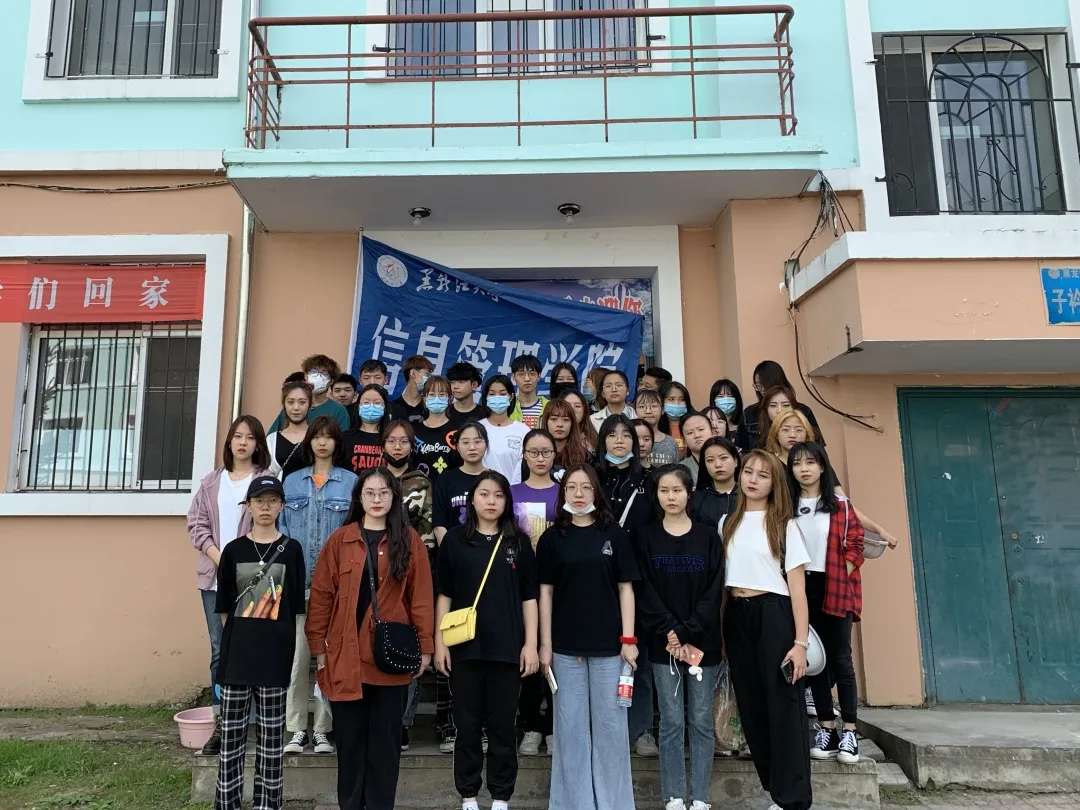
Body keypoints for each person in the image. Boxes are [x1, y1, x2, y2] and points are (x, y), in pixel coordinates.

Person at [306, 468, 435, 810]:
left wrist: (425, 647)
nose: (377, 499)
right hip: (346, 658)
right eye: (370, 493)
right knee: (350, 746)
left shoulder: (409, 540)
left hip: (389, 657)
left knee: (385, 748)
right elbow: (321, 596)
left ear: (394, 498)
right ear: (359, 497)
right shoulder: (341, 540)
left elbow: (421, 598)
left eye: (384, 493)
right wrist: (318, 648)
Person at [537, 464, 639, 810]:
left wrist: (628, 640)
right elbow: (545, 593)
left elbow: (626, 589)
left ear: (596, 492)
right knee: (569, 731)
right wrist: (545, 645)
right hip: (565, 650)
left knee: (611, 730)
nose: (579, 494)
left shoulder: (614, 535)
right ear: (563, 493)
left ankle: (614, 804)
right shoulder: (552, 539)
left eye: (585, 487)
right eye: (571, 488)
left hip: (610, 649)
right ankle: (572, 803)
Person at [435, 472, 539, 810]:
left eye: (498, 495)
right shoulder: (455, 540)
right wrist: (440, 643)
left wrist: (531, 644)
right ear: (472, 500)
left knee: (503, 727)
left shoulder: (518, 542)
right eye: (484, 494)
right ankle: (468, 795)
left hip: (507, 649)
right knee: (466, 726)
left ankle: (500, 797)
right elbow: (444, 594)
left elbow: (529, 598)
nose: (491, 501)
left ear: (507, 501)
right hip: (464, 648)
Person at [722, 449, 813, 810]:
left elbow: (798, 589)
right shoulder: (727, 523)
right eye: (748, 472)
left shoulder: (785, 525)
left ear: (774, 483)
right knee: (752, 705)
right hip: (736, 615)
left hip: (774, 614)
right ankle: (775, 790)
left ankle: (794, 798)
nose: (753, 479)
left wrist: (800, 643)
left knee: (783, 705)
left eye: (763, 475)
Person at [213, 475, 306, 810]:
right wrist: (242, 638)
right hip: (237, 658)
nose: (266, 507)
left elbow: (295, 607)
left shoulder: (292, 550)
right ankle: (228, 802)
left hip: (274, 658)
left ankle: (268, 804)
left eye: (272, 501)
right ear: (248, 506)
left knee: (271, 742)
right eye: (259, 501)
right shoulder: (233, 551)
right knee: (231, 740)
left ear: (281, 506)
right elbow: (224, 607)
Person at [635, 464, 725, 810]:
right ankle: (673, 795)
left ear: (689, 493)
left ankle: (700, 797)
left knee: (700, 721)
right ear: (656, 495)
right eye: (664, 490)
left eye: (677, 490)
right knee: (671, 722)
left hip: (703, 643)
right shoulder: (645, 537)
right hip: (664, 645)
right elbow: (645, 590)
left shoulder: (708, 537)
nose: (671, 497)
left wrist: (685, 630)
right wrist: (670, 631)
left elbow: (714, 590)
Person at [187, 414, 272, 755]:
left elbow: (272, 525)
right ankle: (224, 724)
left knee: (256, 648)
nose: (242, 442)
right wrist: (217, 555)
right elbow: (196, 524)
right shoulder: (211, 482)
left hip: (255, 578)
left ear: (258, 444)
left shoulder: (265, 481)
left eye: (249, 437)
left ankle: (257, 724)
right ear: (229, 441)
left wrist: (241, 561)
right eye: (237, 436)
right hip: (213, 579)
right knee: (220, 650)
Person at [280, 417, 358, 756]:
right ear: (309, 442)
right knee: (297, 659)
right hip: (298, 584)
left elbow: (355, 532)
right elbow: (282, 530)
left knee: (328, 658)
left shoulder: (351, 482)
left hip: (336, 586)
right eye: (317, 437)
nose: (322, 443)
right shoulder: (292, 481)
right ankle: (297, 728)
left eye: (329, 437)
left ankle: (324, 729)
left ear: (337, 443)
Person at [788, 442, 864, 765]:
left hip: (833, 584)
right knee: (815, 661)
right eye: (797, 463)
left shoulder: (840, 505)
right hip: (801, 587)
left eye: (810, 462)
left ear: (822, 467)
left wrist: (840, 573)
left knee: (841, 659)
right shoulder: (787, 505)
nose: (804, 469)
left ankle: (850, 731)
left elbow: (856, 543)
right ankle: (827, 728)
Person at [431, 421, 490, 752]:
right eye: (465, 441)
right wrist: (459, 552)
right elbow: (440, 524)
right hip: (456, 567)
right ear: (457, 446)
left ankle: (483, 725)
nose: (471, 446)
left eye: (477, 441)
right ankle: (450, 725)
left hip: (488, 572)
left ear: (485, 445)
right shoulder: (447, 480)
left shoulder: (493, 480)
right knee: (453, 641)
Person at [383, 418, 437, 753]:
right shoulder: (374, 480)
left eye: (404, 441)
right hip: (377, 572)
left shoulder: (421, 482)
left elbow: (427, 530)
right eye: (392, 441)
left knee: (409, 644)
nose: (398, 446)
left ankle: (403, 722)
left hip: (411, 570)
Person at [511, 430, 560, 758]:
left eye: (546, 452)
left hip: (559, 584)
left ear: (554, 455)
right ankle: (530, 724)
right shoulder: (512, 492)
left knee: (554, 655)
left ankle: (553, 726)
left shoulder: (564, 492)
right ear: (524, 455)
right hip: (520, 582)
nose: (540, 458)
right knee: (527, 652)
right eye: (534, 452)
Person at [742, 361, 822, 451]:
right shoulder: (750, 413)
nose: (762, 390)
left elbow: (818, 449)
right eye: (758, 386)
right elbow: (743, 451)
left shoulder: (803, 411)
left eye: (764, 384)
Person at [269, 355, 350, 433]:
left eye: (324, 373)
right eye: (314, 372)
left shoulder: (338, 411)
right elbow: (271, 438)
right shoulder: (293, 408)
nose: (318, 377)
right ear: (306, 376)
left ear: (331, 381)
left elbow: (342, 440)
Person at [480, 374, 530, 485]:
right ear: (486, 397)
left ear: (511, 397)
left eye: (502, 394)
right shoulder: (477, 428)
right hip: (483, 490)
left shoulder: (523, 430)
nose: (497, 397)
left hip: (515, 491)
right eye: (492, 394)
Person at [413, 375, 460, 480]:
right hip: (421, 487)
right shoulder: (414, 431)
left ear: (450, 398)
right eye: (432, 395)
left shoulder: (458, 430)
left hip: (450, 486)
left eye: (442, 395)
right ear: (425, 398)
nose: (437, 399)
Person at [267, 380, 313, 479]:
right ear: (284, 405)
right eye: (290, 402)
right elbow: (267, 475)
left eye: (302, 402)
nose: (296, 407)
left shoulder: (317, 436)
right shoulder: (272, 440)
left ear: (310, 405)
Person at [691, 437, 740, 529]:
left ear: (735, 461)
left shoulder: (748, 495)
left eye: (723, 458)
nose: (718, 465)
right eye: (710, 460)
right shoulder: (697, 499)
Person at [342, 384, 392, 473]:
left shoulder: (391, 439)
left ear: (385, 407)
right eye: (366, 402)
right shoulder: (345, 438)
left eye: (377, 403)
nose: (371, 406)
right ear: (358, 406)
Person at [542, 397, 591, 472]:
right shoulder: (535, 455)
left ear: (572, 424)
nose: (560, 424)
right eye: (554, 419)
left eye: (566, 420)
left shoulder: (585, 456)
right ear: (546, 422)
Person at [635, 388, 677, 465]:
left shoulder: (670, 442)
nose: (648, 411)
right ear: (635, 411)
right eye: (642, 407)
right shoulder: (629, 439)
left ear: (662, 410)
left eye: (654, 406)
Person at [391, 355, 435, 424]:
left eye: (430, 375)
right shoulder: (391, 408)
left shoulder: (430, 409)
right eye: (427, 374)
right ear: (413, 373)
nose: (430, 379)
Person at [709, 378, 749, 451]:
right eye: (720, 396)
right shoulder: (708, 425)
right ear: (713, 400)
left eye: (730, 396)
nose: (726, 399)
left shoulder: (746, 423)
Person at [509, 354, 549, 429]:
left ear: (539, 376)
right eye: (521, 374)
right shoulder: (508, 406)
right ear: (513, 377)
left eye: (532, 374)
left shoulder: (549, 406)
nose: (527, 379)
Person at [657, 381, 694, 459]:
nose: (677, 403)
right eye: (671, 399)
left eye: (682, 399)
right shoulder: (655, 425)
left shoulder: (695, 423)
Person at [446, 361, 489, 427]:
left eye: (461, 382)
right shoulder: (444, 412)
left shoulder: (485, 415)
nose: (455, 387)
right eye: (452, 382)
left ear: (474, 385)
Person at [677, 413, 713, 483]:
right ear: (684, 440)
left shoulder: (727, 459)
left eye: (701, 429)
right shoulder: (681, 469)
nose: (697, 435)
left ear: (712, 432)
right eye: (690, 433)